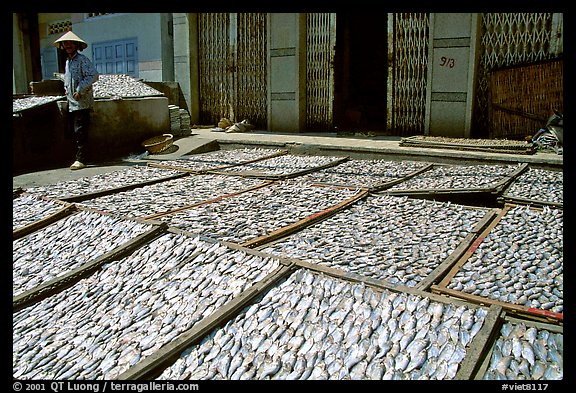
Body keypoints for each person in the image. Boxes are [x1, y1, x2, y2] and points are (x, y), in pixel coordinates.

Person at [53, 31, 99, 170]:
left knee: (80, 131)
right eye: (65, 44)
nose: (68, 46)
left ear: (76, 45)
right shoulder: (68, 62)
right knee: (71, 130)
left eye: (70, 43)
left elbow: (93, 75)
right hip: (71, 102)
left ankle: (81, 160)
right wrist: (67, 89)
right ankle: (77, 156)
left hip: (82, 102)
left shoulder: (82, 60)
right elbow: (68, 79)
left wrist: (80, 90)